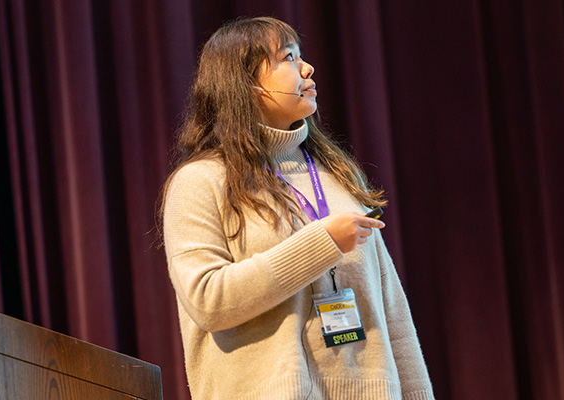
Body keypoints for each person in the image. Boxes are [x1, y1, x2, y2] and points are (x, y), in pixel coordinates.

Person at [159, 16, 434, 400]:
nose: (307, 68)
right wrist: (320, 243)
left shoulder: (338, 174)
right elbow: (209, 299)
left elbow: (392, 309)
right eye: (288, 57)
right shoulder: (200, 182)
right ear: (246, 84)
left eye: (301, 55)